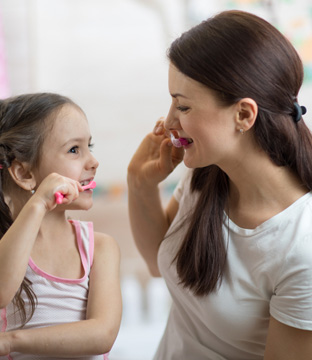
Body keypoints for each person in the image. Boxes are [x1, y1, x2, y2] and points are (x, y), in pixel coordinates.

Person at [127, 10, 312, 360]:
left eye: (182, 106)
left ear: (243, 115)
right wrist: (140, 184)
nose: (168, 122)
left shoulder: (302, 249)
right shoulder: (206, 176)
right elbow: (159, 262)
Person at [0, 93, 122, 359]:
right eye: (74, 150)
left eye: (90, 146)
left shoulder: (100, 248)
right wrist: (38, 205)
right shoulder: (5, 246)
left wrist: (9, 341)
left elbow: (102, 335)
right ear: (25, 174)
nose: (93, 161)